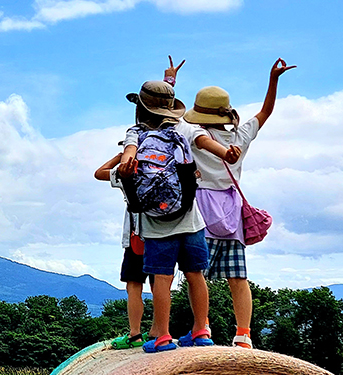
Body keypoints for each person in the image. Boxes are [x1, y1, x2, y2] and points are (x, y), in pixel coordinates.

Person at [96, 65, 238, 353]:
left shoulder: (135, 132)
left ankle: (162, 336)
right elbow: (204, 141)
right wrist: (227, 152)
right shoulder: (182, 128)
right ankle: (201, 331)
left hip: (155, 226)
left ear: (140, 108)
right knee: (195, 275)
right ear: (172, 110)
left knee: (162, 279)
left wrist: (127, 158)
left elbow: (126, 154)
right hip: (190, 219)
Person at [183, 58, 295, 348]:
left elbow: (187, 132)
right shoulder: (240, 135)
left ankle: (202, 328)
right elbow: (265, 111)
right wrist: (274, 80)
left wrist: (169, 80)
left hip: (201, 209)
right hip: (232, 212)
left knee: (196, 275)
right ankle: (243, 334)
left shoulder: (196, 133)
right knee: (238, 277)